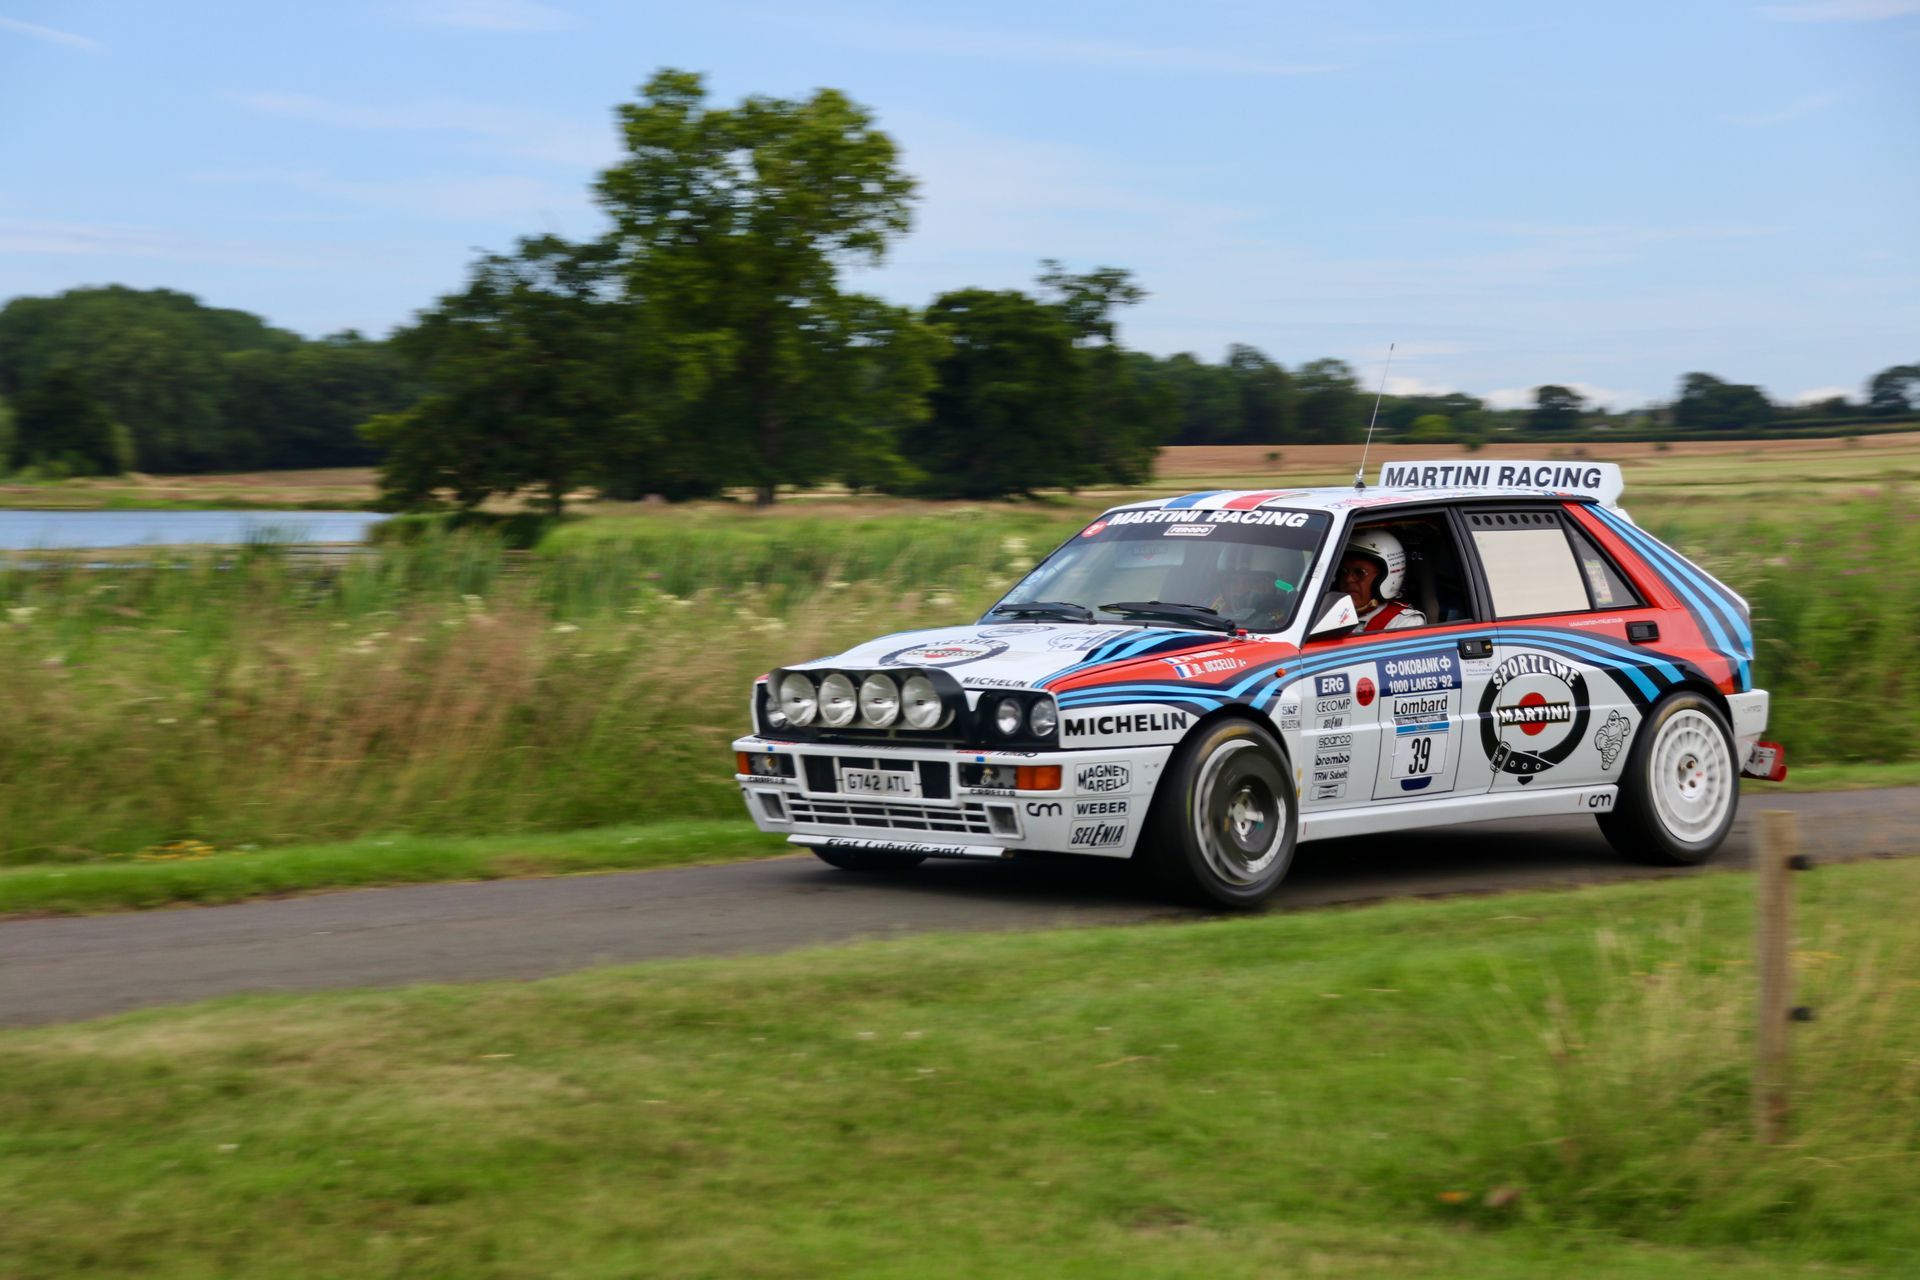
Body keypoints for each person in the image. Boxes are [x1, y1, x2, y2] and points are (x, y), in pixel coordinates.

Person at [1337, 529, 1426, 633]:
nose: (1348, 579)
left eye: (1359, 573)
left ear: (1385, 578)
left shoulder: (1404, 623)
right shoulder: (1325, 614)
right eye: (1344, 572)